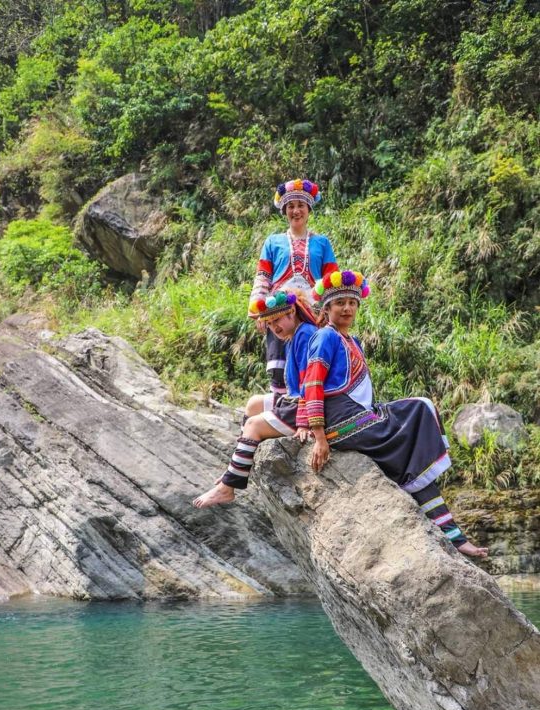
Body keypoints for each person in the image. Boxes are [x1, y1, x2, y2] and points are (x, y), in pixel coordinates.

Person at [303, 270, 488, 558]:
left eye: (352, 303)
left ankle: (455, 537)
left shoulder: (351, 340)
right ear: (326, 308)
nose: (347, 308)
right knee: (411, 446)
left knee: (421, 407)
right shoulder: (325, 336)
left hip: (359, 414)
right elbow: (312, 384)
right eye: (340, 303)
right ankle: (454, 536)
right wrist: (319, 437)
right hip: (342, 422)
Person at [194, 290, 316, 508]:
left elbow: (311, 381)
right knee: (254, 403)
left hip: (305, 406)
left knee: (253, 425)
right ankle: (238, 466)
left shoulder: (305, 334)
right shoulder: (294, 336)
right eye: (269, 323)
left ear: (292, 312)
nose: (273, 327)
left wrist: (306, 422)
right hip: (295, 399)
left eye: (277, 320)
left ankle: (228, 488)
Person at [249, 179, 338, 395]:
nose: (296, 211)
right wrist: (259, 309)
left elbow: (330, 280)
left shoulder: (322, 243)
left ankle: (308, 402)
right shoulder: (273, 242)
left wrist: (328, 311)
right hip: (278, 308)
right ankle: (281, 403)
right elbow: (263, 276)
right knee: (279, 366)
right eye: (290, 206)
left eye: (300, 205)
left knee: (311, 360)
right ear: (285, 211)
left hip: (312, 311)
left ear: (308, 209)